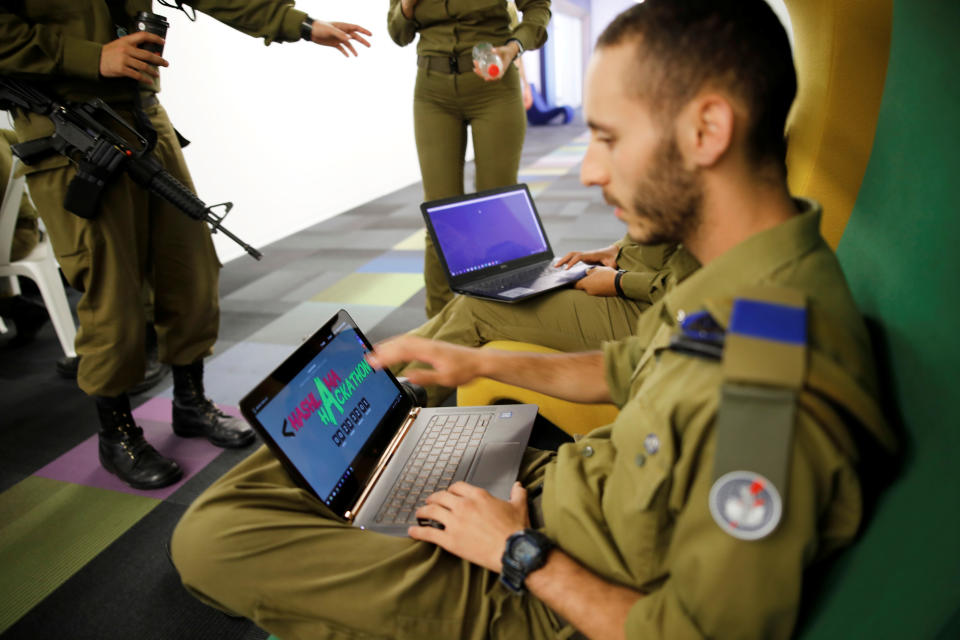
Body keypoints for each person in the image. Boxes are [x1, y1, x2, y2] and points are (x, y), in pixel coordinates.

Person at [171, 2, 897, 638]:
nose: (588, 170)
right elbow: (624, 368)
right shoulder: (749, 277)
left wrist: (516, 551)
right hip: (556, 490)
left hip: (533, 591)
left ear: (707, 129)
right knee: (313, 460)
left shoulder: (767, 391)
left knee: (211, 538)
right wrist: (481, 363)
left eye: (608, 138)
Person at [0, 2, 371, 490]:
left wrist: (297, 25)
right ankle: (117, 434)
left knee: (190, 267)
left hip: (141, 115)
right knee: (113, 291)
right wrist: (93, 57)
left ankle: (190, 403)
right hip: (64, 125)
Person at [387, 0, 552, 318]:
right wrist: (407, 6)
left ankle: (497, 319)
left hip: (493, 81)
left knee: (496, 214)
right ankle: (439, 327)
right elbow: (398, 33)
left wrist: (515, 45)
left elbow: (538, 8)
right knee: (440, 219)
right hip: (432, 88)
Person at [394, 238, 699, 406]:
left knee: (480, 307)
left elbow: (698, 287)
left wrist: (621, 282)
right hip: (633, 279)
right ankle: (380, 370)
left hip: (657, 311)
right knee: (474, 296)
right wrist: (621, 248)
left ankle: (396, 413)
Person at [0, 127, 48, 345]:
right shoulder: (3, 133)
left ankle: (17, 308)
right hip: (25, 228)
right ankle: (19, 309)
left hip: (14, 237)